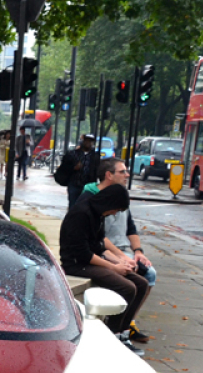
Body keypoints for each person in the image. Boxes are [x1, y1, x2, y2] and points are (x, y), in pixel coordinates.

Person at [59, 181, 149, 355]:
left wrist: (121, 261)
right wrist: (113, 268)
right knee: (127, 287)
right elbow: (82, 253)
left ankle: (123, 333)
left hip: (91, 260)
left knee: (141, 283)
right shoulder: (81, 213)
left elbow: (100, 245)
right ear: (109, 203)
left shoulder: (98, 215)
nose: (115, 213)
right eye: (116, 209)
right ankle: (112, 334)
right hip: (76, 265)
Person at [74, 158, 157, 344]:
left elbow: (129, 229)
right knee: (128, 285)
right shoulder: (88, 204)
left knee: (145, 278)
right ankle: (114, 334)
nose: (128, 175)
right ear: (109, 175)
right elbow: (89, 248)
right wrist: (115, 264)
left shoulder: (112, 200)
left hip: (109, 253)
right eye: (123, 172)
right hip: (86, 260)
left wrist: (136, 252)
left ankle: (126, 327)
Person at [55, 133, 100, 208]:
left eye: (91, 141)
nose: (88, 143)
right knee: (73, 205)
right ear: (83, 141)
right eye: (87, 141)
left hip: (88, 186)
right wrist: (73, 168)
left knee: (85, 205)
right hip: (74, 184)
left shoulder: (95, 156)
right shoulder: (72, 154)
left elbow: (97, 171)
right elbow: (63, 168)